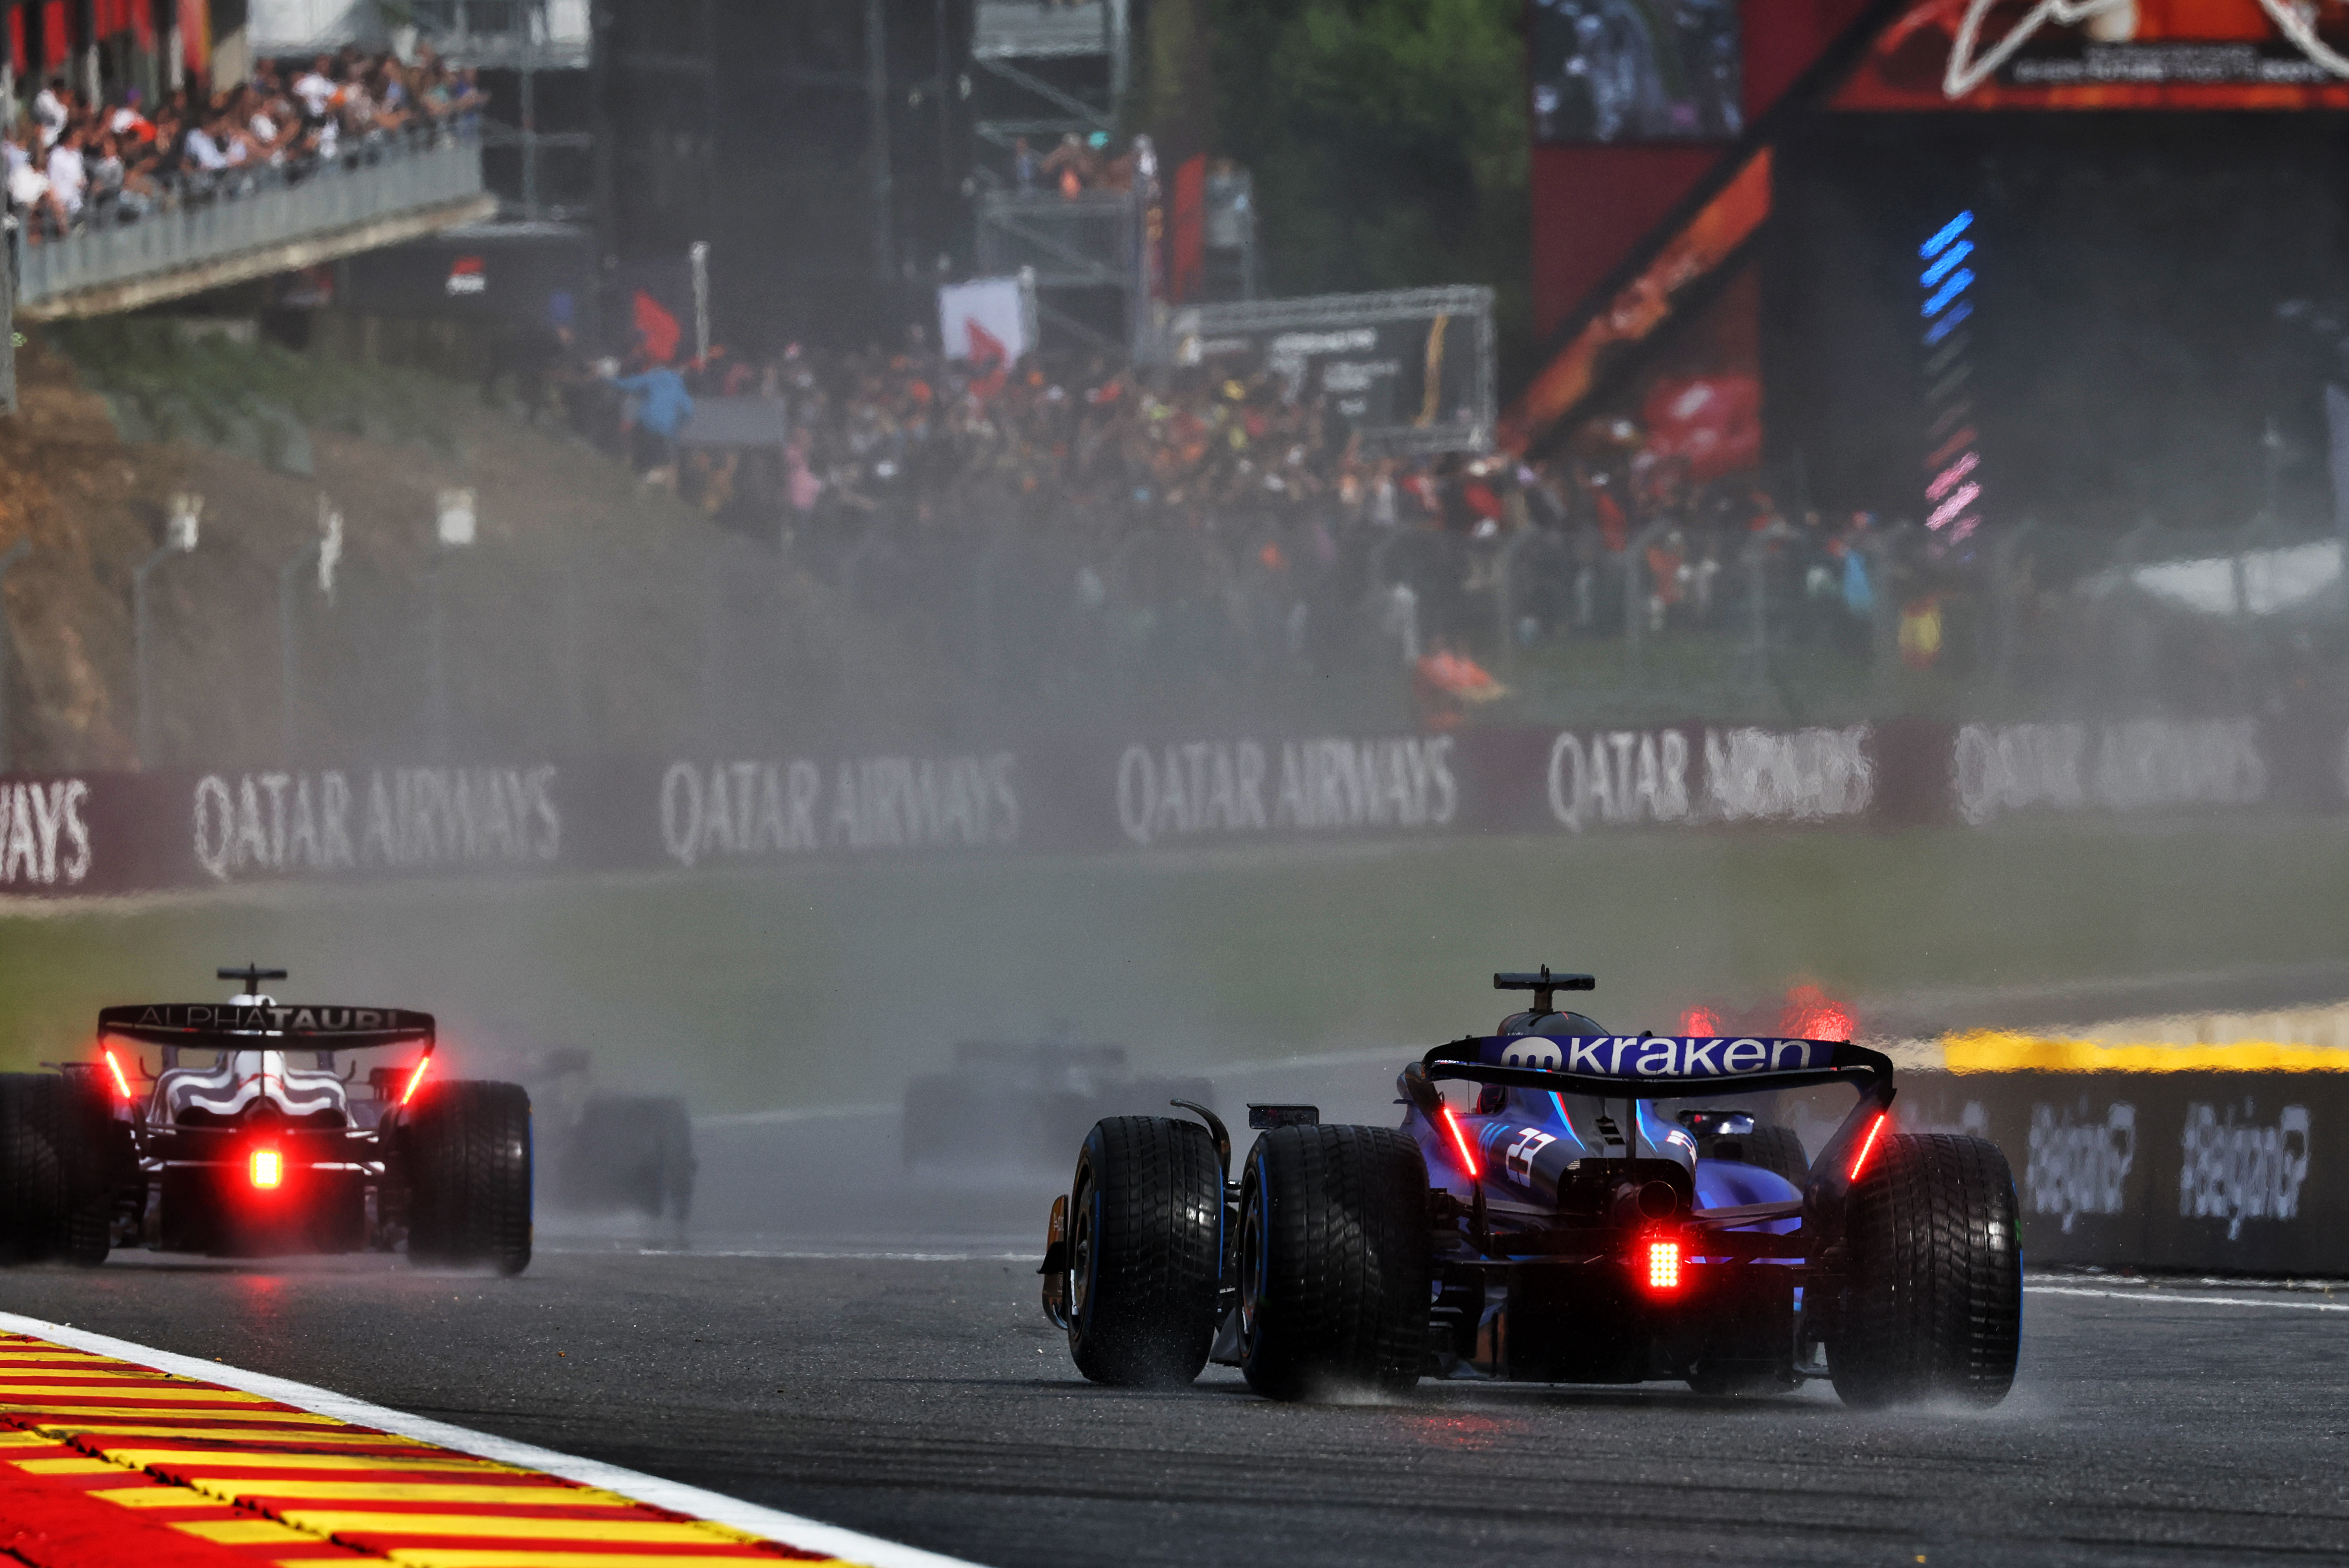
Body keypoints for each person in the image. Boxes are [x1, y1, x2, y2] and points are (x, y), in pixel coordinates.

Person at [606, 356, 695, 489]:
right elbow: (689, 412)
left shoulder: (654, 377)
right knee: (652, 459)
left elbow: (629, 385)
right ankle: (643, 480)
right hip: (664, 430)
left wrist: (606, 379)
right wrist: (676, 426)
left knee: (639, 453)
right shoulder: (680, 389)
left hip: (646, 423)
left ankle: (633, 475)